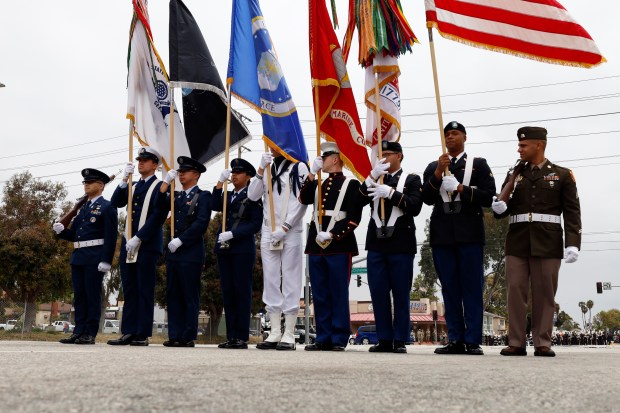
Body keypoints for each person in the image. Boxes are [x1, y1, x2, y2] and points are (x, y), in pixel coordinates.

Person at [492, 126, 581, 357]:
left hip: (548, 240)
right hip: (517, 240)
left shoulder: (561, 175)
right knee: (515, 290)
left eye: (523, 145)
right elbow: (502, 207)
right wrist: (499, 207)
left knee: (544, 292)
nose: (519, 149)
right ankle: (516, 342)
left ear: (539, 145)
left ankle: (542, 341)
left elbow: (572, 212)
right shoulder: (515, 174)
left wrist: (573, 242)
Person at [422, 121, 496, 355]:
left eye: (455, 134)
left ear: (465, 137)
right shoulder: (435, 165)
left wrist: (462, 188)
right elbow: (426, 197)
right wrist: (436, 173)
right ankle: (455, 338)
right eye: (447, 134)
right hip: (442, 234)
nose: (450, 137)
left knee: (472, 288)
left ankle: (472, 340)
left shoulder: (478, 165)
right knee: (450, 289)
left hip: (469, 233)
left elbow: (488, 197)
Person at [358, 141, 423, 354]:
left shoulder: (411, 179)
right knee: (378, 292)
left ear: (399, 156)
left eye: (388, 154)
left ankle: (400, 338)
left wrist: (391, 193)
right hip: (377, 243)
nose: (383, 158)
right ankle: (384, 338)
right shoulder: (376, 179)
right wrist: (371, 176)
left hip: (401, 244)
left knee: (401, 293)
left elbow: (415, 206)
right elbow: (357, 199)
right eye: (381, 154)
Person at [299, 142, 363, 351]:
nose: (321, 161)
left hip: (339, 245)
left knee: (338, 292)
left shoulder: (351, 185)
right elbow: (303, 198)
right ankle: (323, 337)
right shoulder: (318, 183)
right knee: (319, 293)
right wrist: (311, 174)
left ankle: (338, 337)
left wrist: (334, 234)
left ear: (335, 159)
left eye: (324, 158)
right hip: (316, 245)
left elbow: (354, 218)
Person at [248, 149, 308, 351]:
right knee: (271, 279)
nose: (271, 147)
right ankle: (274, 331)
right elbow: (252, 195)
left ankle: (289, 332)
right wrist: (259, 170)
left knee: (291, 278)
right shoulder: (267, 168)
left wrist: (286, 227)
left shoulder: (298, 167)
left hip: (289, 229)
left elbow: (302, 201)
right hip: (268, 229)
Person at [108, 147, 167, 346]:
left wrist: (140, 237)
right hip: (128, 243)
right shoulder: (133, 185)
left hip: (147, 244)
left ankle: (142, 333)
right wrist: (124, 181)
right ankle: (129, 331)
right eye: (139, 159)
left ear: (155, 165)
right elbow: (115, 203)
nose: (141, 163)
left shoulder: (160, 185)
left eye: (146, 160)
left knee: (144, 288)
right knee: (130, 288)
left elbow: (158, 215)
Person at [53, 168, 118, 345]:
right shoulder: (82, 209)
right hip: (79, 256)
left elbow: (111, 237)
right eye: (85, 182)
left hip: (95, 257)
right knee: (79, 297)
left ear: (101, 185)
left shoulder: (107, 207)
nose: (86, 185)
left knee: (92, 296)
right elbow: (74, 235)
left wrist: (106, 260)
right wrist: (61, 232)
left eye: (90, 182)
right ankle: (78, 331)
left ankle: (90, 333)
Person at [158, 156, 212, 348]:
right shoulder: (176, 196)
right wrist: (165, 182)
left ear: (195, 175)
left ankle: (187, 335)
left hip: (190, 253)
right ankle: (174, 334)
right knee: (173, 295)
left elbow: (201, 223)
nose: (181, 174)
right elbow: (158, 203)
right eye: (179, 171)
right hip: (174, 253)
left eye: (185, 171)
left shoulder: (203, 196)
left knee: (189, 295)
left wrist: (181, 240)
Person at [212, 158, 262, 349]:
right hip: (224, 249)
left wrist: (234, 233)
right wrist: (219, 183)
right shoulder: (228, 195)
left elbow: (255, 224)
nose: (233, 176)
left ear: (248, 176)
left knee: (241, 292)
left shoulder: (253, 197)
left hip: (241, 249)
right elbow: (215, 204)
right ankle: (231, 335)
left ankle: (241, 336)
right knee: (228, 292)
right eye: (232, 173)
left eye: (238, 173)